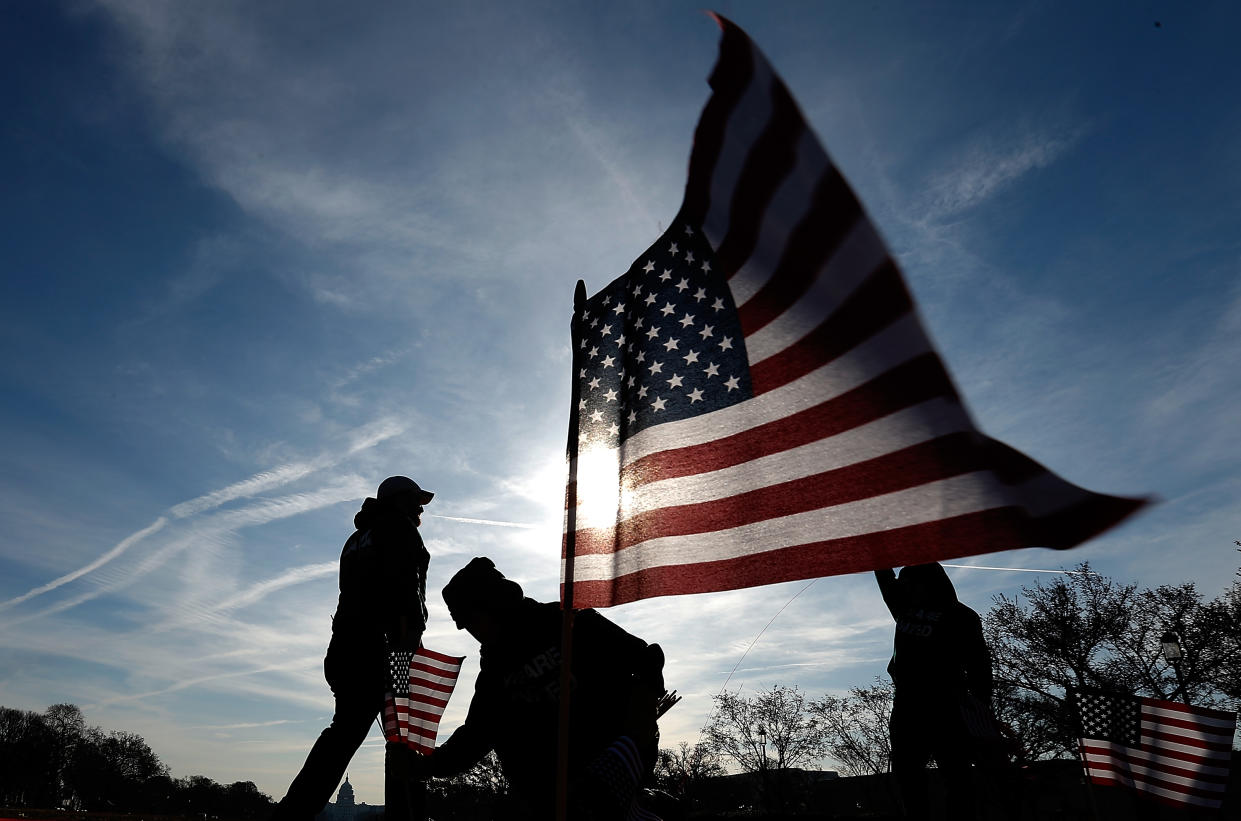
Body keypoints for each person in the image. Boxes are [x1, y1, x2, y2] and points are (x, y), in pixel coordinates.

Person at [396, 557, 668, 820]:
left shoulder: (566, 624)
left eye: (471, 619)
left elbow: (646, 658)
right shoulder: (495, 672)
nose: (472, 631)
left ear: (492, 604)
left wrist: (642, 706)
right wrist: (429, 765)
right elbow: (477, 735)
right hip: (550, 797)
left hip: (611, 765)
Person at [271, 476, 434, 821]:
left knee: (342, 735)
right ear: (399, 501)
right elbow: (405, 590)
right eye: (415, 500)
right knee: (402, 738)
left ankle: (292, 813)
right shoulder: (399, 528)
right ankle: (406, 816)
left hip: (346, 648)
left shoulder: (357, 538)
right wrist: (408, 646)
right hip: (387, 648)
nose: (421, 508)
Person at [875, 563, 993, 821]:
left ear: (927, 583)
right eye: (903, 585)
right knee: (907, 774)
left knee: (956, 775)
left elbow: (979, 663)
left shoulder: (962, 617)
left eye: (910, 584)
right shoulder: (904, 606)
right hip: (907, 706)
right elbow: (885, 579)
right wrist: (873, 543)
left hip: (947, 708)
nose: (904, 588)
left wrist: (981, 703)